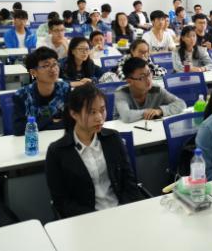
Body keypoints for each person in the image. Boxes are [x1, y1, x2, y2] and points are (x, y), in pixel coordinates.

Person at [46, 84, 143, 219]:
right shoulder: (57, 152)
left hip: (122, 212)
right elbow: (62, 202)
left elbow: (129, 182)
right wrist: (95, 218)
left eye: (102, 110)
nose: (99, 117)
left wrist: (124, 211)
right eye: (92, 112)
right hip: (85, 220)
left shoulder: (113, 138)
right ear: (74, 114)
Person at [12, 47, 71, 135]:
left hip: (59, 137)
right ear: (33, 72)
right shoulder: (22, 95)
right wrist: (51, 120)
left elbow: (71, 121)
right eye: (46, 66)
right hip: (33, 140)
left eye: (55, 64)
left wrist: (40, 123)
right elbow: (19, 129)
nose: (53, 69)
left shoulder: (65, 88)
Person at [114, 57, 185, 123]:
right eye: (142, 77)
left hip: (150, 127)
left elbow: (181, 104)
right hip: (124, 130)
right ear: (129, 81)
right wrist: (148, 112)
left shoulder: (156, 89)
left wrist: (160, 111)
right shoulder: (121, 92)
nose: (148, 79)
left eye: (149, 73)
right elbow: (127, 116)